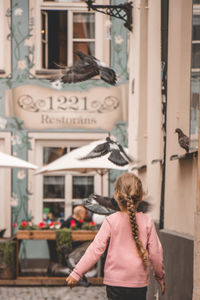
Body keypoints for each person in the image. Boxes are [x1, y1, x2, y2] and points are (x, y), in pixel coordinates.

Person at [66, 173, 165, 300]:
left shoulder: (110, 221)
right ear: (140, 196)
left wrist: (77, 273)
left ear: (116, 196)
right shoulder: (147, 221)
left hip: (114, 282)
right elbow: (156, 253)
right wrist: (160, 277)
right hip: (138, 282)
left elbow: (95, 249)